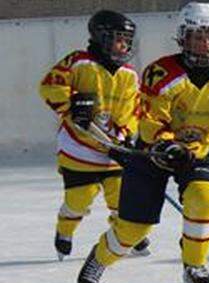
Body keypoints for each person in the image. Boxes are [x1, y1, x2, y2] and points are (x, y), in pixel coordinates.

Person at [76, 2, 209, 283]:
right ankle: (99, 259)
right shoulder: (161, 72)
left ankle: (195, 264)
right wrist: (166, 143)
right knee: (131, 232)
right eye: (198, 37)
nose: (205, 44)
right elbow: (150, 122)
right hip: (152, 155)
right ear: (183, 38)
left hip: (196, 154)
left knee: (205, 197)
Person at [38, 10, 143, 260]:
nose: (123, 45)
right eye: (119, 38)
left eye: (127, 40)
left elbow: (132, 109)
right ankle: (65, 231)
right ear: (100, 36)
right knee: (79, 200)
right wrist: (71, 105)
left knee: (121, 198)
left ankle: (125, 233)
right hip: (79, 148)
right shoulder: (78, 61)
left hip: (110, 149)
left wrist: (125, 135)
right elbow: (50, 86)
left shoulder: (128, 74)